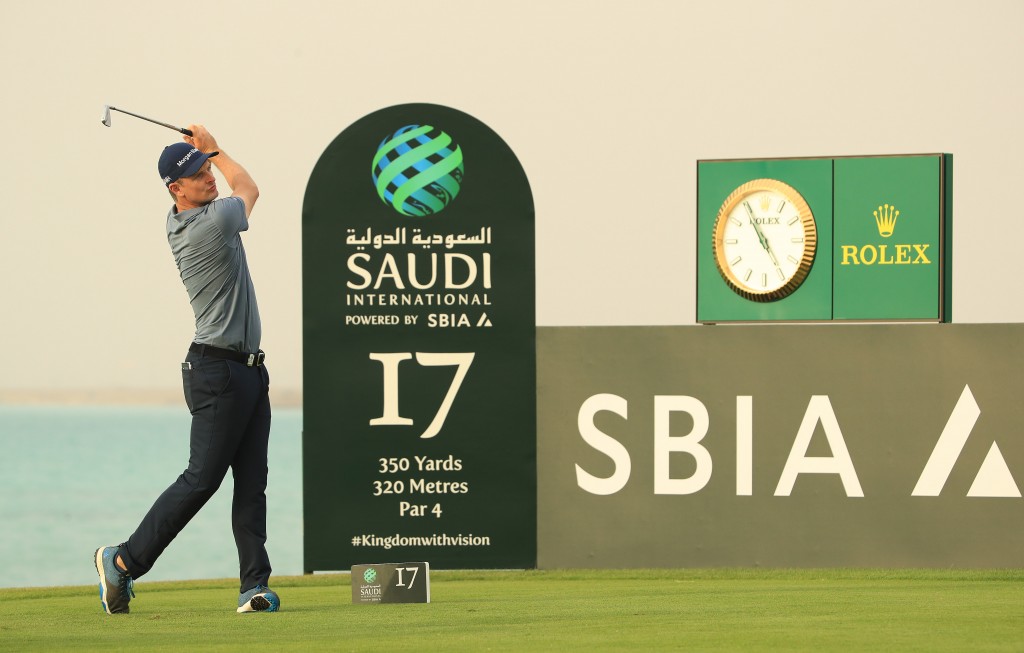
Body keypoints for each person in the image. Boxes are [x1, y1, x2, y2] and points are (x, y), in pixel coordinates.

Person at [95, 125, 279, 614]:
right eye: (198, 176)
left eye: (206, 172)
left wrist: (200, 155)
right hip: (217, 370)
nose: (209, 179)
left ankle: (253, 587)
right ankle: (123, 561)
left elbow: (229, 188)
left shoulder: (179, 219)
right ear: (177, 190)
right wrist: (214, 149)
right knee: (202, 479)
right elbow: (250, 187)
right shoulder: (211, 222)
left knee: (251, 482)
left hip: (246, 371)